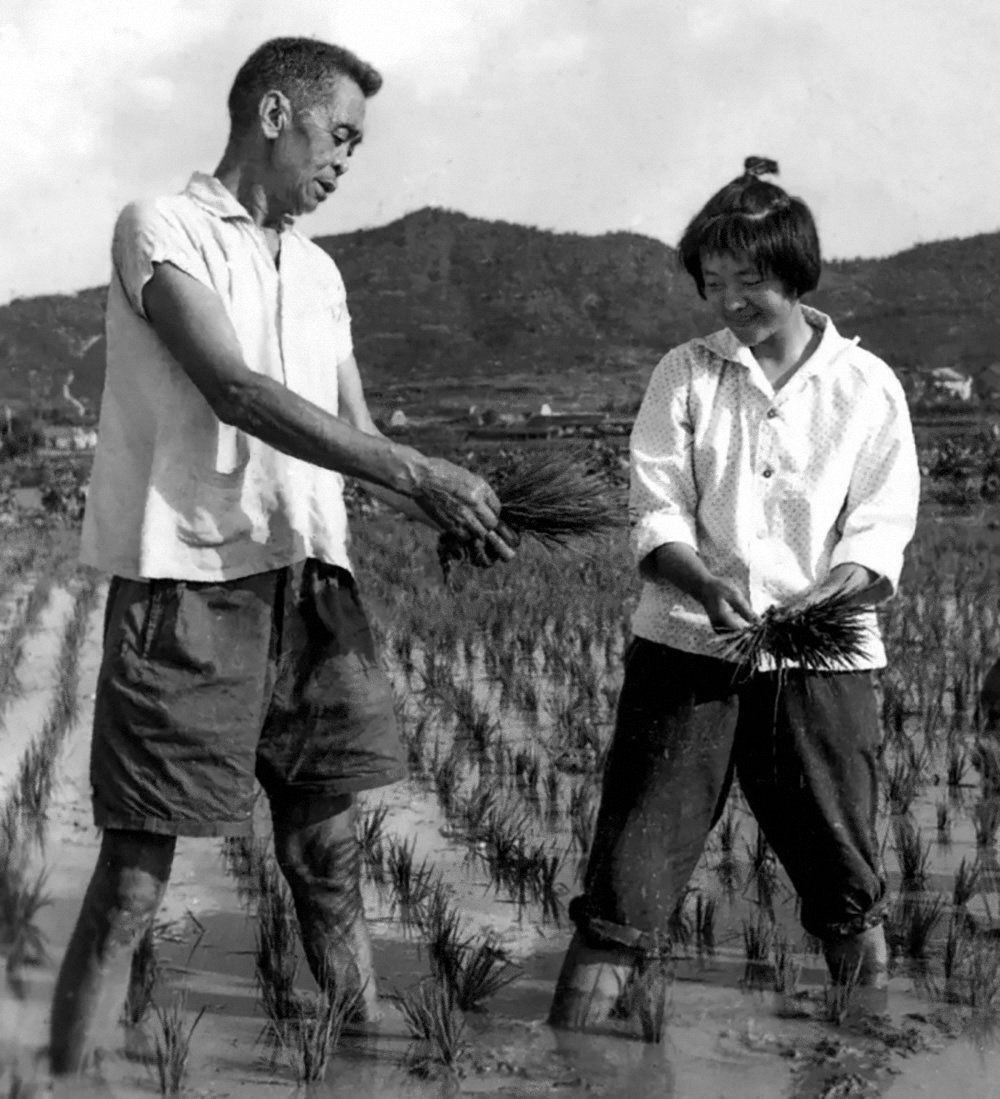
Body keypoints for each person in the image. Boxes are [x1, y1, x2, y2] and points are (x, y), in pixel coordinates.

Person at [49, 36, 517, 1075]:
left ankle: (364, 1053)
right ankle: (60, 1072)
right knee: (135, 873)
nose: (347, 161)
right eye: (339, 135)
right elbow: (236, 390)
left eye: (357, 145)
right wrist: (417, 469)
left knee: (327, 851)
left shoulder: (317, 270)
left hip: (313, 584)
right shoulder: (160, 228)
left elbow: (354, 433)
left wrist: (442, 506)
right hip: (191, 584)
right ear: (274, 114)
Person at [548, 157, 920, 1030]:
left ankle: (859, 1057)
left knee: (845, 884)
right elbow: (655, 509)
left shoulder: (867, 387)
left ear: (794, 271)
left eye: (747, 280)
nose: (729, 301)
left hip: (821, 664)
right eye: (713, 283)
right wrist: (703, 581)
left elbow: (881, 524)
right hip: (686, 646)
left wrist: (830, 595)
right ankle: (570, 1067)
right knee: (625, 885)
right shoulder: (685, 373)